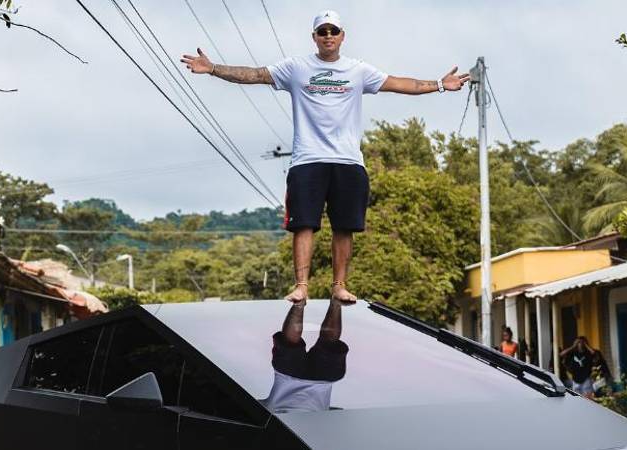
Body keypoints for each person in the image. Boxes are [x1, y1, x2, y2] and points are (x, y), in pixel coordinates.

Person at [182, 10, 469, 304]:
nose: (328, 36)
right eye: (323, 31)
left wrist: (439, 84)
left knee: (344, 226)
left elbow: (400, 84)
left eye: (334, 31)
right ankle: (302, 286)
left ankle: (339, 285)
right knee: (303, 224)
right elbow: (255, 75)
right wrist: (214, 68)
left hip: (348, 161)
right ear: (315, 37)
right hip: (307, 159)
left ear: (343, 36)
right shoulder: (296, 67)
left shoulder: (358, 71)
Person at [263, 298, 349, 413]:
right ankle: (299, 303)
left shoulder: (321, 428)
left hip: (323, 381)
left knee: (329, 343)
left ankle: (335, 304)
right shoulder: (273, 425)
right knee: (290, 344)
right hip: (288, 376)